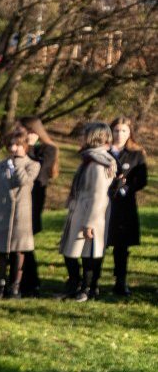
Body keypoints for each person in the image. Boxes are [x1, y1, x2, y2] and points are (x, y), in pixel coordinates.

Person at [0, 128, 41, 298]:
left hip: (21, 217)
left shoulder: (33, 165)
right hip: (1, 214)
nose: (13, 149)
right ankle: (1, 282)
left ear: (25, 146)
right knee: (2, 251)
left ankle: (15, 286)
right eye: (10, 145)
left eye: (17, 145)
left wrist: (18, 164)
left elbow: (24, 182)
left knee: (19, 251)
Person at [62, 123, 116, 301]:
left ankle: (87, 288)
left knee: (89, 253)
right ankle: (76, 284)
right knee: (73, 251)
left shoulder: (99, 163)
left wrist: (90, 222)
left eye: (84, 135)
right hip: (80, 209)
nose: (80, 138)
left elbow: (99, 194)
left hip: (90, 213)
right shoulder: (89, 159)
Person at [105, 117, 146, 297]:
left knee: (121, 245)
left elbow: (141, 179)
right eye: (116, 130)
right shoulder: (104, 152)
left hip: (124, 205)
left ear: (129, 133)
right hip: (103, 202)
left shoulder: (136, 154)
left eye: (123, 131)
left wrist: (126, 187)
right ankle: (90, 281)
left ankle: (120, 281)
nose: (119, 134)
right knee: (99, 241)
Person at [18, 116, 58, 297]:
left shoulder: (48, 149)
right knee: (19, 241)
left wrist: (31, 148)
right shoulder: (19, 146)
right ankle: (21, 279)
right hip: (18, 197)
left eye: (22, 129)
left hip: (34, 198)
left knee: (26, 241)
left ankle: (31, 282)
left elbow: (39, 171)